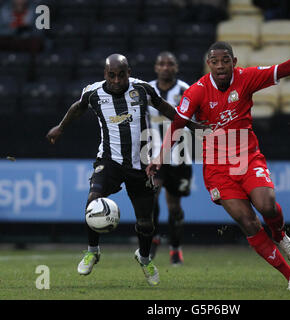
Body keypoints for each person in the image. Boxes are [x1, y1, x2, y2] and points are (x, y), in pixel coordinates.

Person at [146, 33, 290, 290]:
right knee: (248, 221)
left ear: (234, 61)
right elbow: (177, 125)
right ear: (208, 64)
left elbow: (286, 68)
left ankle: (279, 234)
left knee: (266, 206)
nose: (220, 66)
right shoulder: (197, 91)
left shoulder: (246, 78)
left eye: (225, 61)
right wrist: (160, 157)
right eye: (214, 61)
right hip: (217, 169)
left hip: (247, 157)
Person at [46, 54, 204, 286]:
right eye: (112, 75)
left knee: (146, 223)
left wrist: (192, 126)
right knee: (93, 200)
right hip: (109, 160)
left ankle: (144, 257)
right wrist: (60, 127)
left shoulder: (142, 89)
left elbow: (166, 109)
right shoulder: (93, 92)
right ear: (105, 74)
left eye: (121, 75)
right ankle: (92, 251)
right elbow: (78, 108)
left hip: (140, 164)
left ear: (128, 72)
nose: (117, 80)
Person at [148, 52, 191, 265]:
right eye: (161, 63)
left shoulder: (185, 90)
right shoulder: (146, 90)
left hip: (180, 156)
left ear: (176, 67)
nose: (165, 67)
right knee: (151, 197)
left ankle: (175, 247)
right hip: (153, 155)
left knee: (174, 206)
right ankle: (154, 236)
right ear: (156, 67)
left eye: (170, 64)